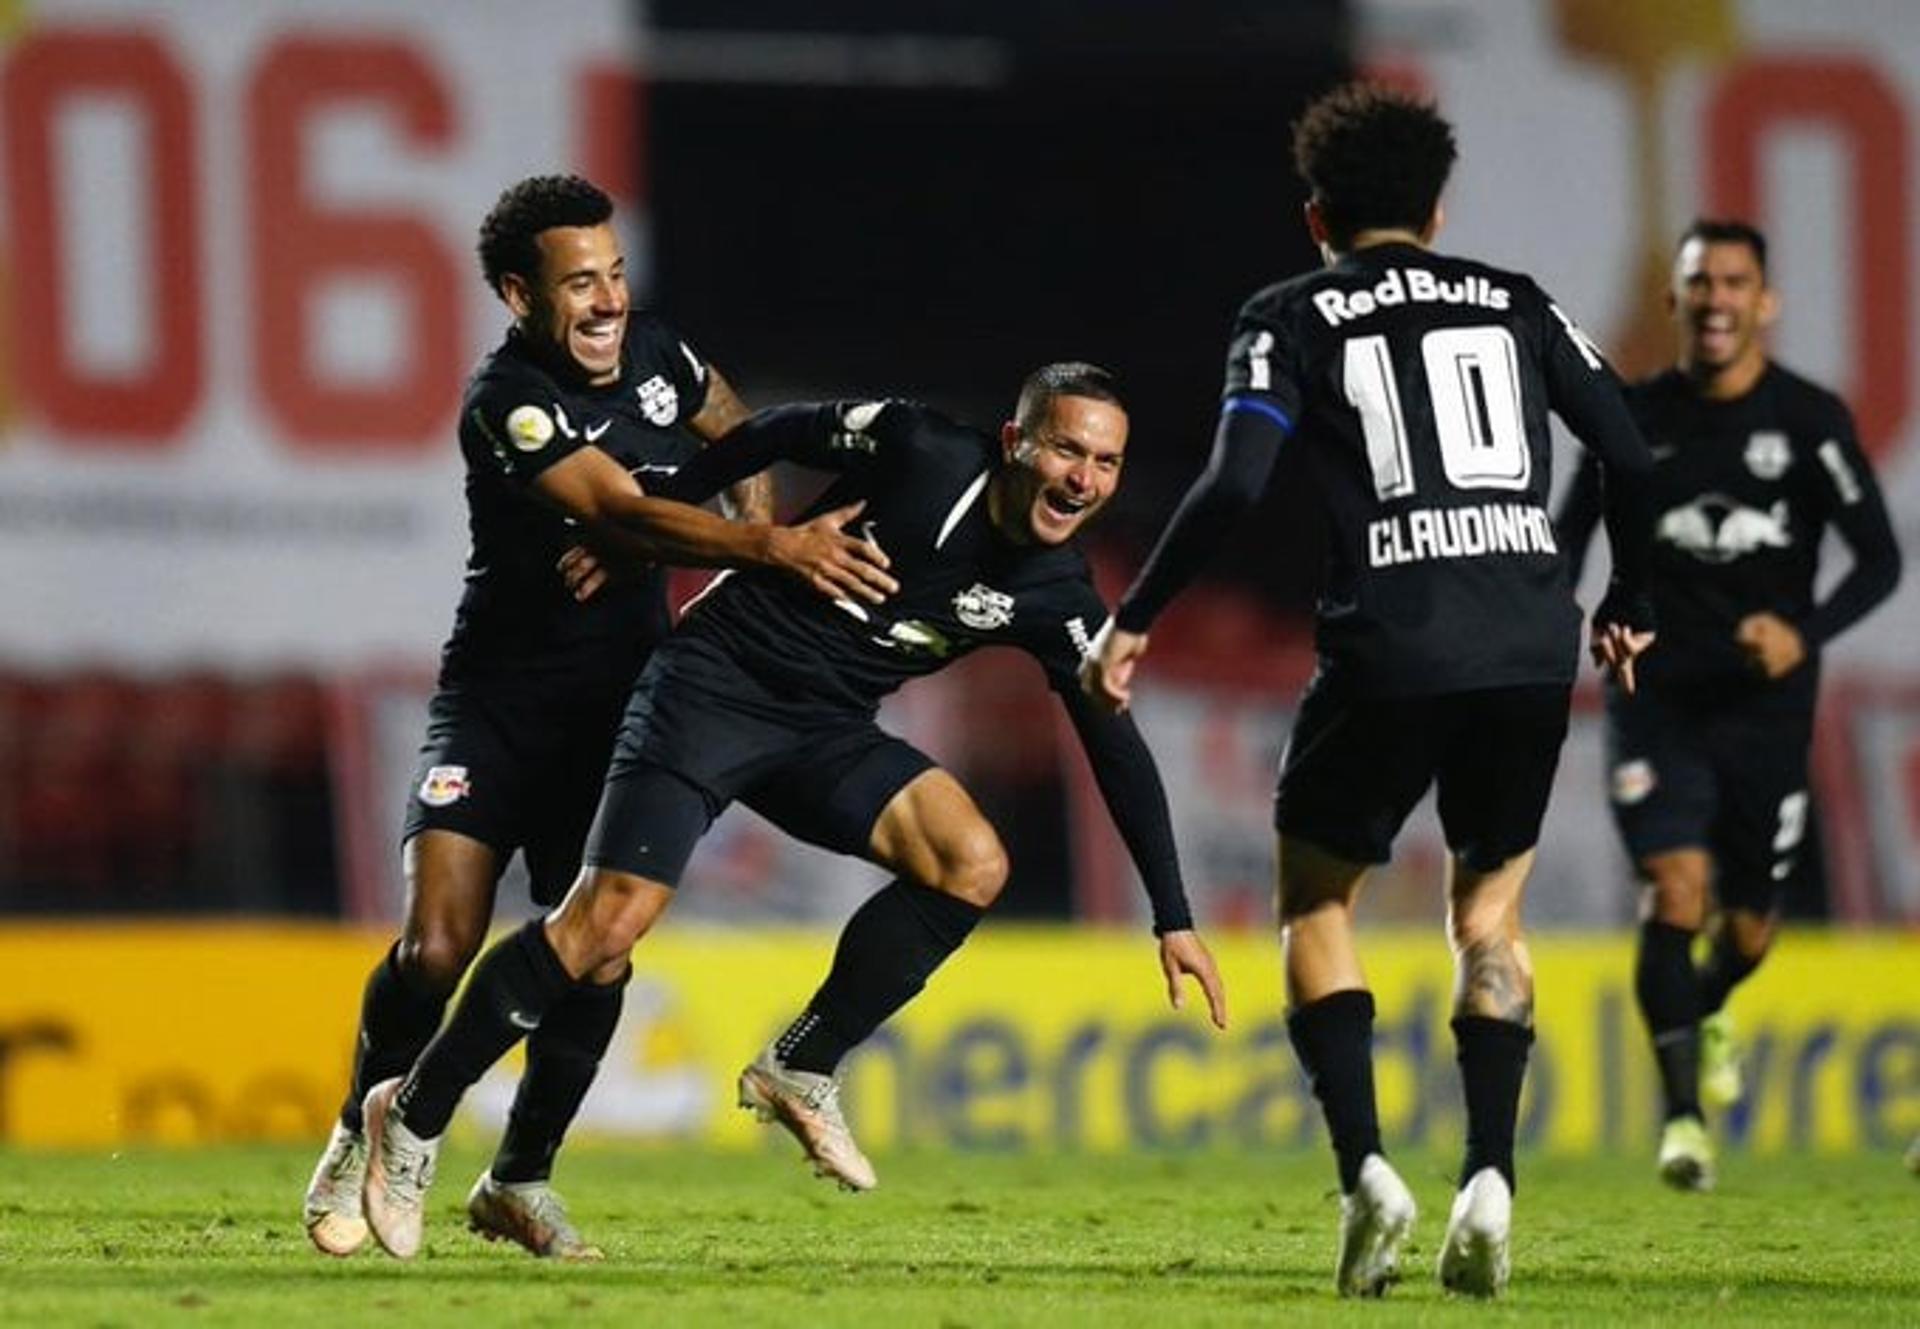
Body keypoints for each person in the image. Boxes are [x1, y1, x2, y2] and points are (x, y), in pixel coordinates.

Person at [351, 362, 1229, 1261]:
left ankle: (801, 1063)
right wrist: (671, 529)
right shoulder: (922, 447)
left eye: (1107, 463)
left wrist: (1173, 915)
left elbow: (1114, 742)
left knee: (971, 860)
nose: (1084, 479)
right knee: (606, 925)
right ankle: (410, 1117)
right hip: (712, 689)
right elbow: (777, 429)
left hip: (822, 730)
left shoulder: (1059, 596)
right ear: (1017, 442)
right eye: (1068, 449)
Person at [1081, 83, 1657, 1299]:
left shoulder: (1293, 311)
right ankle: (1490, 1176)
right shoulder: (1514, 300)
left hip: (1390, 637)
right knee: (1490, 917)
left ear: (1315, 216)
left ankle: (1366, 1175)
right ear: (1437, 209)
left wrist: (1134, 618)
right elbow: (1633, 449)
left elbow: (1237, 484)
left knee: (1316, 904)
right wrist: (1628, 598)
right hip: (1524, 639)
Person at [301, 174, 896, 1261]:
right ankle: (358, 1130)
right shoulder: (508, 402)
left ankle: (518, 1182)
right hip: (496, 707)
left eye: (615, 275)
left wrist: (737, 544)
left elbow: (741, 434)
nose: (608, 300)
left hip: (621, 708)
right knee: (437, 943)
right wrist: (774, 550)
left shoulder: (665, 361)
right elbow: (619, 508)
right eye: (579, 283)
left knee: (599, 959)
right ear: (516, 293)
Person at [1557, 219, 1901, 1193]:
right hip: (1654, 702)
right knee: (1675, 890)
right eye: (1699, 283)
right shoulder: (1630, 417)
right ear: (1674, 300)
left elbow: (1879, 558)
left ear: (1765, 302)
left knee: (1747, 931)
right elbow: (1565, 537)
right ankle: (1682, 1121)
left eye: (1734, 283)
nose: (1715, 300)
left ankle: (1703, 1008)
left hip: (1767, 713)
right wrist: (1581, 621)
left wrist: (1808, 633)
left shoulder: (1808, 422)